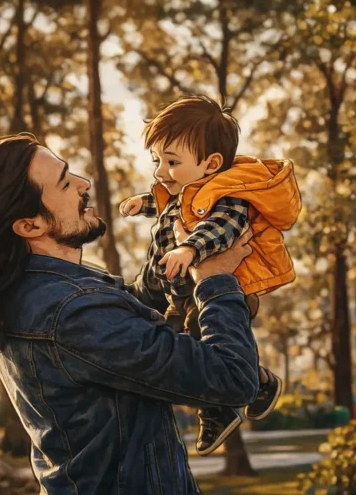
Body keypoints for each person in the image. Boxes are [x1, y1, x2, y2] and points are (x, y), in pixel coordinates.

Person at [0, 133, 261, 494]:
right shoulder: (72, 312)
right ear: (30, 225)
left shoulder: (50, 293)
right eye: (64, 182)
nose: (83, 184)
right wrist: (217, 279)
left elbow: (134, 313)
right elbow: (232, 379)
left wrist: (175, 252)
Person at [119, 95, 301, 455]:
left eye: (171, 162)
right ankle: (261, 383)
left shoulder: (229, 198)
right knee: (177, 345)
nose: (160, 172)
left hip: (220, 292)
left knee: (200, 345)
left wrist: (190, 249)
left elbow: (221, 228)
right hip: (182, 293)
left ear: (211, 163)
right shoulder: (184, 193)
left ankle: (217, 410)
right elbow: (169, 205)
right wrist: (145, 203)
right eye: (157, 160)